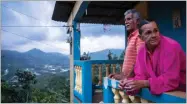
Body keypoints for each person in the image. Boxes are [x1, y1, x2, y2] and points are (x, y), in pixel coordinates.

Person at [119, 20, 186, 95]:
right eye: (148, 33)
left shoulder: (171, 47)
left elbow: (170, 79)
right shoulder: (142, 51)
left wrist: (145, 83)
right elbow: (140, 76)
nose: (154, 35)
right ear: (141, 37)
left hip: (181, 92)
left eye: (156, 31)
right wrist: (128, 83)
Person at [109, 9, 144, 80]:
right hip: (128, 79)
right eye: (125, 20)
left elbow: (140, 60)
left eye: (129, 19)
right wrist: (121, 74)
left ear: (137, 21)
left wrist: (127, 77)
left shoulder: (139, 36)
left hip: (133, 81)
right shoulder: (131, 37)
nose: (126, 22)